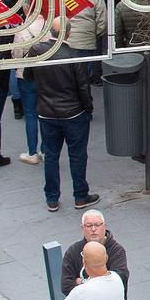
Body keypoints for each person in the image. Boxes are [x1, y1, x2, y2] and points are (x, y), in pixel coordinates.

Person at [30, 19, 100, 213]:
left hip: (46, 112)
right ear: (69, 33)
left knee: (51, 156)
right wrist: (88, 108)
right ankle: (80, 196)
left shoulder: (37, 51)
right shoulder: (73, 56)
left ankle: (52, 198)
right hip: (73, 113)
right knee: (77, 155)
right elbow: (83, 87)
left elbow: (28, 75)